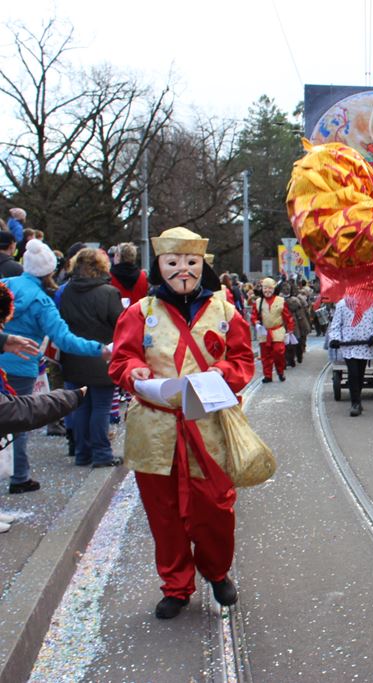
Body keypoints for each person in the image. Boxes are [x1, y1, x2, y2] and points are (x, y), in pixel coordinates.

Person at [109, 226, 255, 620]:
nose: (183, 270)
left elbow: (243, 360)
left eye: (191, 261)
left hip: (208, 426)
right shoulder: (140, 312)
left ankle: (216, 570)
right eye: (173, 262)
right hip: (155, 428)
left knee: (216, 509)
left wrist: (224, 372)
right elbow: (121, 358)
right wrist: (134, 370)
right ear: (159, 265)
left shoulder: (225, 311)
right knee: (164, 514)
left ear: (202, 265)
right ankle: (176, 586)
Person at [1, 240, 109, 494]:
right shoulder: (42, 302)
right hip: (21, 367)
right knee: (18, 422)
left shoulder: (5, 286)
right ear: (50, 270)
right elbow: (64, 339)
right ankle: (20, 476)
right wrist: (100, 349)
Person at [58, 249, 123, 467]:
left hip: (73, 356)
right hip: (102, 356)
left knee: (81, 407)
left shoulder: (66, 291)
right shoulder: (108, 293)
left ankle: (82, 453)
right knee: (101, 408)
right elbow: (120, 324)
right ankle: (102, 453)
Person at [326, 298, 373, 416]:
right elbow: (336, 325)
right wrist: (335, 338)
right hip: (349, 345)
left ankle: (357, 399)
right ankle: (355, 403)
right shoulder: (342, 304)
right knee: (353, 373)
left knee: (360, 373)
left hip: (365, 345)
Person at [251, 278, 294, 383]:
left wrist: (290, 328)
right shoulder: (258, 302)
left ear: (274, 289)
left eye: (270, 288)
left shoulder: (281, 300)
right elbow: (253, 315)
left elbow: (288, 316)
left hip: (277, 331)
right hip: (264, 332)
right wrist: (255, 321)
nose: (267, 291)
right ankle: (268, 375)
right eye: (265, 288)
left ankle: (280, 371)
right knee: (265, 355)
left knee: (278, 352)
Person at [285, 289, 311, 366]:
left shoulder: (289, 303)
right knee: (297, 342)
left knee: (290, 343)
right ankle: (297, 357)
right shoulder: (299, 302)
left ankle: (291, 359)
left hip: (293, 324)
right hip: (298, 324)